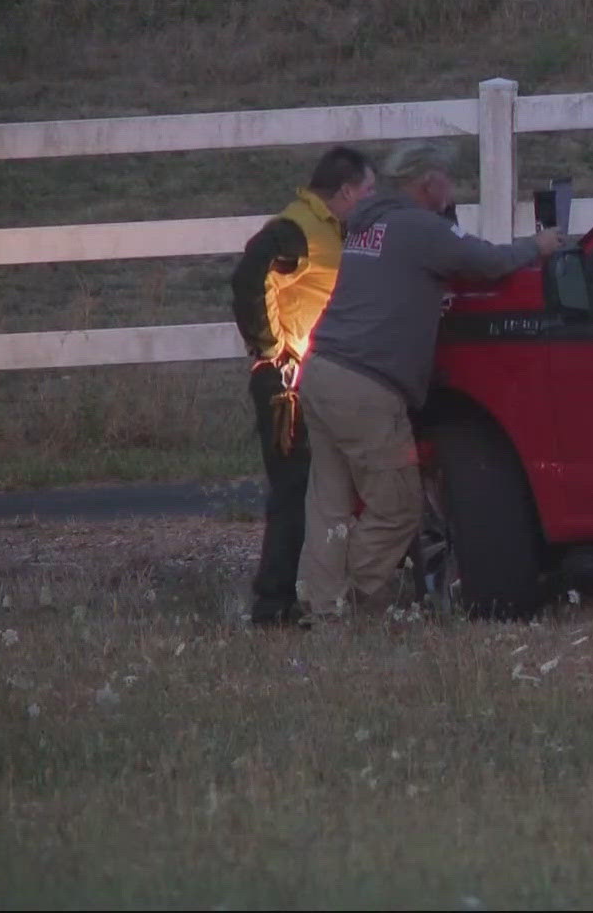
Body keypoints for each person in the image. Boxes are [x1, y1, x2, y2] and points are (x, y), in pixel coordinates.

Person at [294, 162, 565, 621]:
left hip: (321, 370)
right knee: (398, 506)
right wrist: (536, 246)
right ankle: (361, 602)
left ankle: (322, 610)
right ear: (429, 182)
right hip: (368, 385)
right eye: (448, 180)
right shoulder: (418, 226)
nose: (451, 190)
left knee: (329, 503)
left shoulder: (369, 225)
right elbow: (485, 261)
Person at [227, 146, 375, 627]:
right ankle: (273, 604)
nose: (372, 200)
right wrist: (270, 348)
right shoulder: (298, 231)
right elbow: (250, 272)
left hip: (307, 377)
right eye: (368, 191)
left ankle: (297, 595)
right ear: (347, 191)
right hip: (286, 384)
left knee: (312, 489)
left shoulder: (329, 230)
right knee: (294, 490)